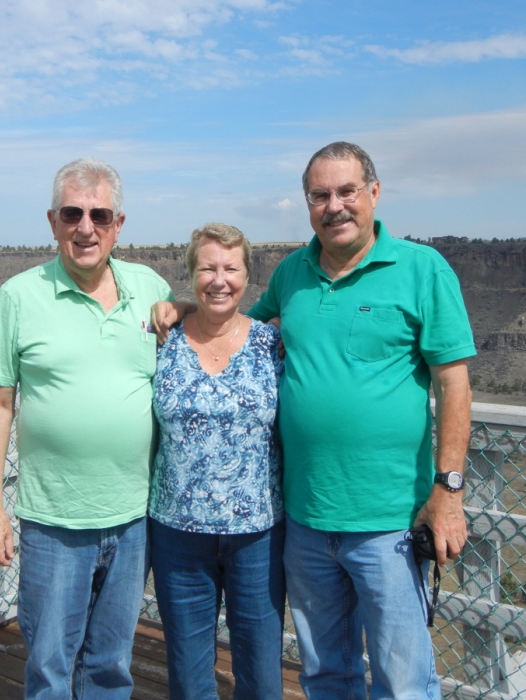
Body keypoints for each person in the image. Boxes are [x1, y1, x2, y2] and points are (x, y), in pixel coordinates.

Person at [153, 142, 475, 697]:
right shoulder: (292, 275)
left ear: (373, 193)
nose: (335, 206)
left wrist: (448, 492)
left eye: (347, 191)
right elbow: (233, 327)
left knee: (403, 680)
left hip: (390, 518)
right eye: (320, 195)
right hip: (304, 519)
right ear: (307, 205)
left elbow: (454, 383)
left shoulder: (423, 269)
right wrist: (184, 309)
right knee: (326, 673)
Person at [0, 157, 174, 699]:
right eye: (72, 214)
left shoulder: (149, 287)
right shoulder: (19, 296)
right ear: (52, 220)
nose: (86, 227)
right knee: (49, 665)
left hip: (134, 517)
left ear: (118, 223)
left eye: (99, 215)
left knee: (110, 664)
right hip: (54, 520)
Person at [149, 223, 285, 699]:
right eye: (207, 268)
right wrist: (176, 313)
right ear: (191, 274)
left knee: (262, 676)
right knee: (188, 677)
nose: (219, 279)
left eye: (231, 268)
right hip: (177, 535)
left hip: (258, 537)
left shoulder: (272, 346)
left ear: (248, 277)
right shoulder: (162, 340)